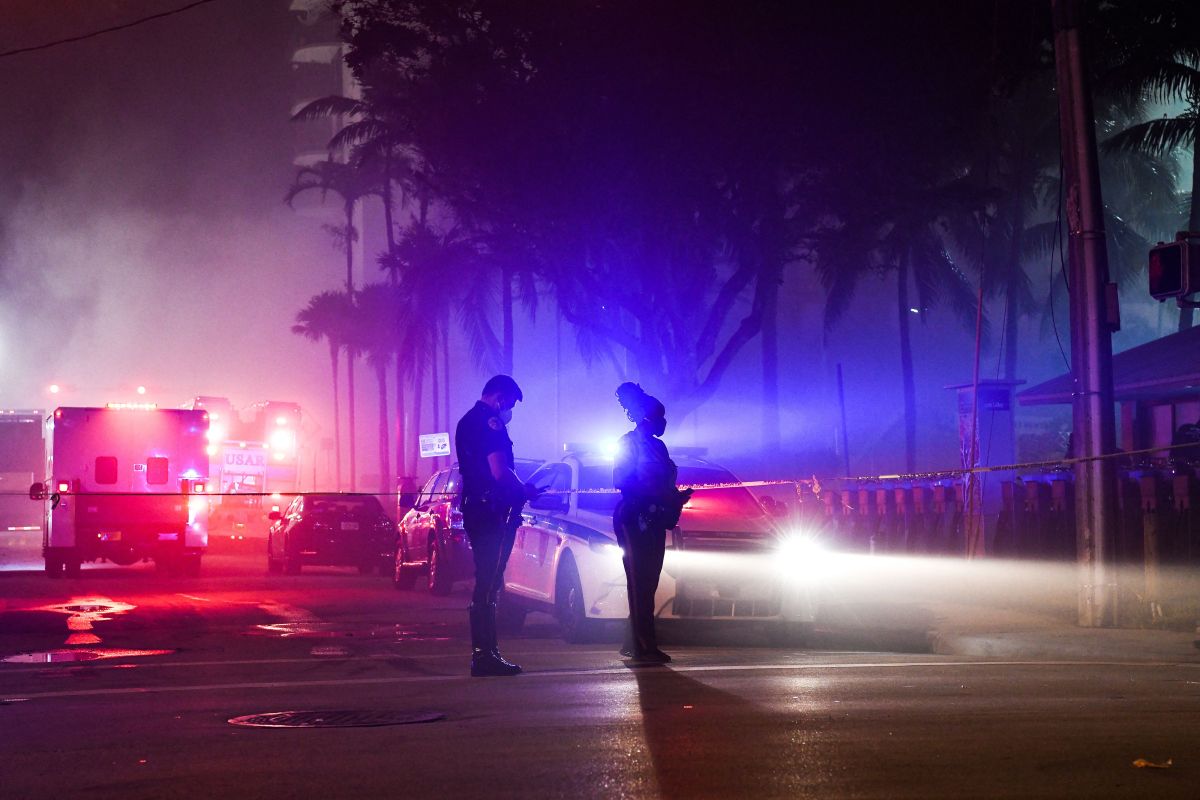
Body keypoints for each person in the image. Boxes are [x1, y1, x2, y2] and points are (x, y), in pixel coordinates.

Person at [455, 375, 541, 677]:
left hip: (476, 508)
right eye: (511, 403)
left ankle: (486, 652)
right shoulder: (491, 422)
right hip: (492, 512)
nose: (510, 410)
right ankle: (484, 655)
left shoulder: (466, 421)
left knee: (486, 580)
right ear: (500, 397)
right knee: (489, 582)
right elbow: (499, 470)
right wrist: (524, 490)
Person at [612, 382, 693, 665]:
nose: (664, 422)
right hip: (635, 516)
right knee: (639, 581)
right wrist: (652, 496)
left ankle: (631, 640)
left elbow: (664, 482)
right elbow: (622, 480)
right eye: (660, 416)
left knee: (650, 581)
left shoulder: (659, 447)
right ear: (647, 418)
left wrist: (675, 498)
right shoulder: (628, 443)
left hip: (656, 515)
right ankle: (644, 646)